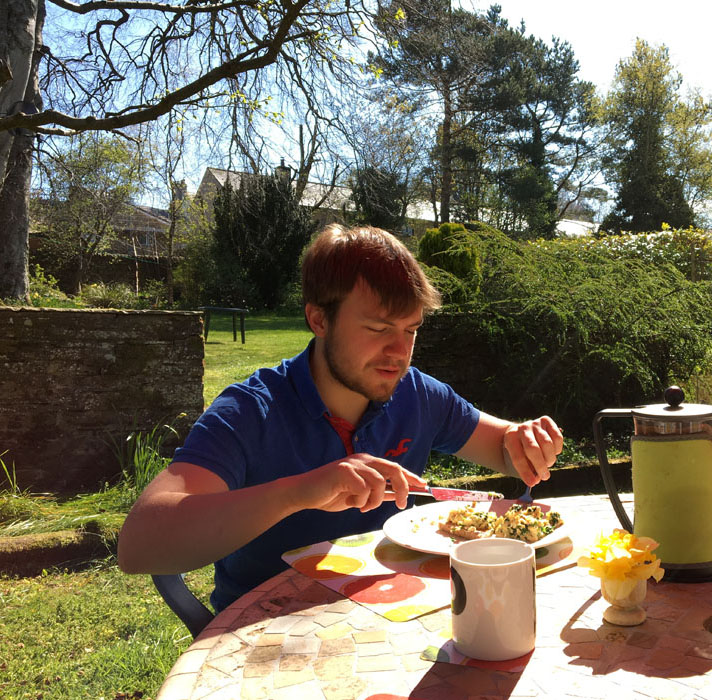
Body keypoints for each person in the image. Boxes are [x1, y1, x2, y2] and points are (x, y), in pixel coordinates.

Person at [118, 224, 563, 611]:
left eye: (410, 330)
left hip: (386, 615)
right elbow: (140, 544)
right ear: (318, 319)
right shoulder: (251, 411)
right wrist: (302, 491)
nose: (399, 353)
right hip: (268, 635)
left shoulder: (419, 394)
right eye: (377, 328)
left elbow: (504, 449)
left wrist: (524, 441)